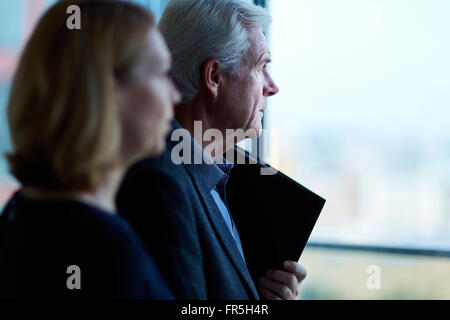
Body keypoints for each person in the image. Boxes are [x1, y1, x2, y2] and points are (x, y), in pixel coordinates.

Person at [117, 0, 307, 300]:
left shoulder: (211, 174)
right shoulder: (161, 184)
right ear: (215, 76)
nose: (272, 86)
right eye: (261, 65)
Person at [0, 0, 180, 299]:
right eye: (161, 74)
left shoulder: (18, 214)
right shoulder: (108, 250)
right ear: (111, 92)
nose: (174, 95)